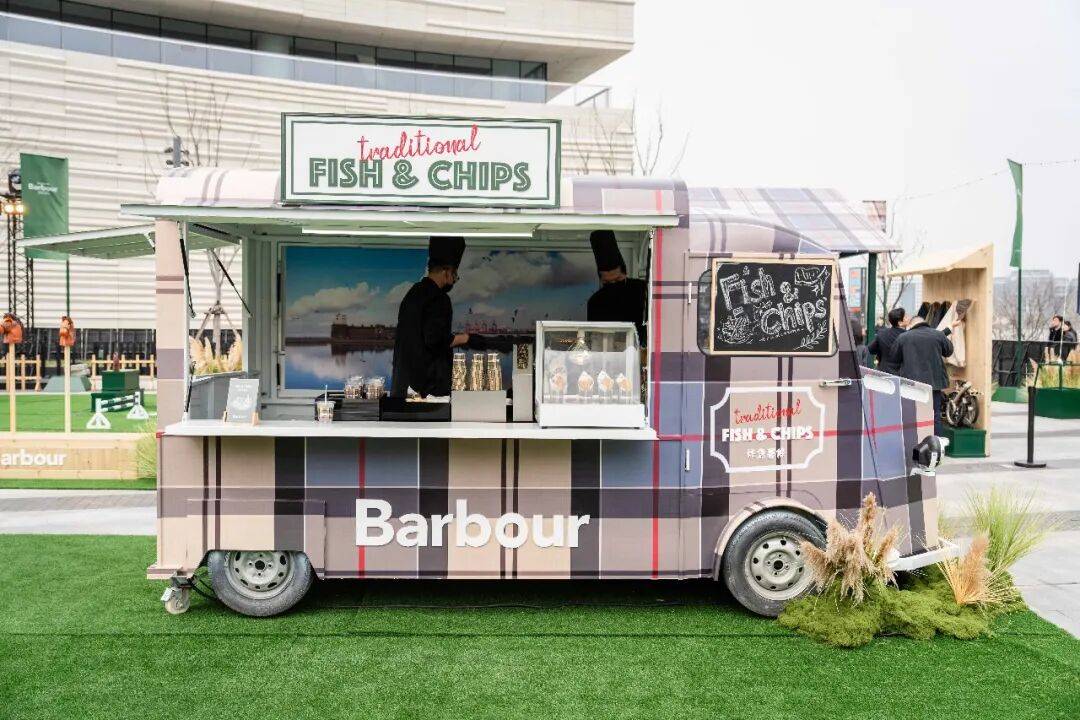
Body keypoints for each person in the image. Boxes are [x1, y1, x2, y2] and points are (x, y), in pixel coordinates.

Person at [390, 236, 470, 398]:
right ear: (446, 271)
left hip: (403, 388)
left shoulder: (413, 293)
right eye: (455, 275)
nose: (454, 281)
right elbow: (435, 340)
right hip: (428, 394)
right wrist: (464, 338)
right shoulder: (439, 299)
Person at [893, 308, 959, 435]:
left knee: (912, 415)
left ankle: (914, 441)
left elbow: (894, 358)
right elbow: (949, 351)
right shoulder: (937, 335)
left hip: (911, 385)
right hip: (934, 384)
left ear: (911, 325)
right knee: (935, 415)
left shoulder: (903, 337)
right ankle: (936, 443)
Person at [586, 229, 648, 344]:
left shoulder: (642, 289)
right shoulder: (595, 302)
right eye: (607, 282)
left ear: (625, 274)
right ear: (601, 280)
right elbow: (594, 339)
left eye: (618, 280)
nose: (613, 285)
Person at [868, 307, 906, 375]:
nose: (908, 318)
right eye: (905, 317)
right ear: (900, 322)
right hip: (902, 374)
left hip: (883, 371)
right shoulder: (908, 335)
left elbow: (871, 349)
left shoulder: (882, 333)